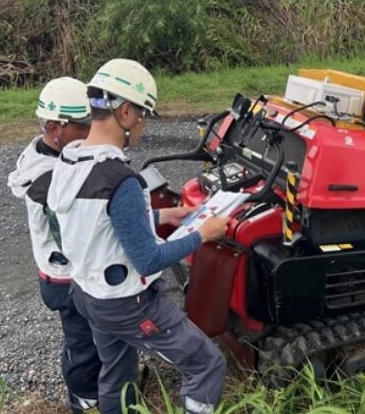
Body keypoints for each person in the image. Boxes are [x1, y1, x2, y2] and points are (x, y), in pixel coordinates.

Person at [46, 59, 229, 414]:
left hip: (86, 293)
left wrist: (161, 215)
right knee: (206, 364)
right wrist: (203, 234)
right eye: (145, 114)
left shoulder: (70, 159)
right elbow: (147, 259)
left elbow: (95, 221)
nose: (144, 125)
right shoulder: (120, 179)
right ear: (126, 111)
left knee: (118, 373)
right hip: (125, 303)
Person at [7, 77, 101, 413]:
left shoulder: (44, 153)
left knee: (83, 339)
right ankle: (85, 401)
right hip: (65, 278)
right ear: (54, 127)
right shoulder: (49, 177)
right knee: (84, 344)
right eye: (83, 126)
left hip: (57, 274)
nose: (91, 132)